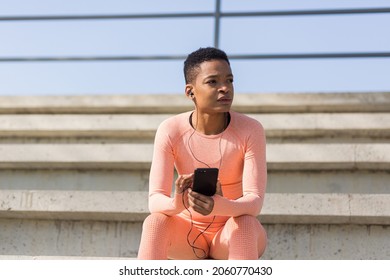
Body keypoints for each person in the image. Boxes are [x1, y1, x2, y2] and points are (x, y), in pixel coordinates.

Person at [137, 47, 267, 260]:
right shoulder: (171, 130)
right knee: (154, 222)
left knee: (245, 223)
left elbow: (254, 201)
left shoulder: (250, 129)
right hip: (187, 236)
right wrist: (179, 201)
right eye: (213, 82)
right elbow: (155, 200)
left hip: (229, 233)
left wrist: (219, 204)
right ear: (190, 91)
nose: (225, 88)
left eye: (230, 80)